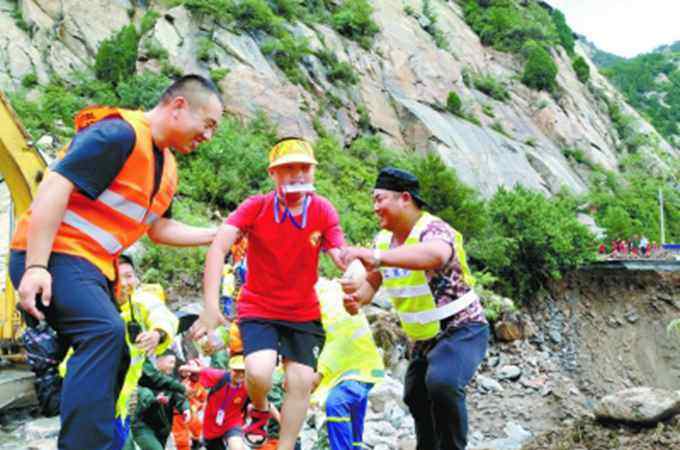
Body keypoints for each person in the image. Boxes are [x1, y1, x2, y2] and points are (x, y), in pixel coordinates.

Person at [8, 74, 223, 450]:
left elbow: (159, 229)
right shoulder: (119, 135)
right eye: (207, 125)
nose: (208, 137)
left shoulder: (166, 169)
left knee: (118, 352)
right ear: (178, 107)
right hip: (52, 254)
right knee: (103, 332)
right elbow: (56, 184)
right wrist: (36, 266)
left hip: (88, 266)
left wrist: (216, 234)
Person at [192, 138, 347, 449]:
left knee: (301, 381)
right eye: (287, 168)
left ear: (313, 172)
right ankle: (260, 409)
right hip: (258, 307)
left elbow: (339, 253)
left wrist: (356, 272)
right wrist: (210, 307)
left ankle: (285, 446)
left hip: (303, 311)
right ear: (273, 173)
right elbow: (220, 245)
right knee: (259, 373)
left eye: (304, 167)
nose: (297, 174)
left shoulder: (322, 209)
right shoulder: (257, 206)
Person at [341, 167, 489, 450]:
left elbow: (435, 254)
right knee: (415, 395)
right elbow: (372, 284)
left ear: (404, 198)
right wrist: (355, 299)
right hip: (423, 338)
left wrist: (376, 257)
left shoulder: (432, 229)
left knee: (443, 383)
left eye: (379, 199)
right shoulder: (382, 241)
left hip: (462, 327)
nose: (375, 208)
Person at [311, 279, 384, 450]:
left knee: (336, 404)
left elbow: (338, 337)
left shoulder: (327, 303)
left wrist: (320, 374)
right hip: (361, 368)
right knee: (354, 413)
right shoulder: (330, 291)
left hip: (356, 367)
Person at [180, 355, 253, 450]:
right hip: (211, 425)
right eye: (236, 371)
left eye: (243, 371)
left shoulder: (249, 385)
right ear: (230, 370)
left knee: (237, 447)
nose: (240, 374)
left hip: (232, 422)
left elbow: (264, 402)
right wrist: (183, 368)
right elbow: (201, 370)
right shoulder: (220, 376)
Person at [127, 351, 191, 450]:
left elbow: (180, 398)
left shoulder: (171, 381)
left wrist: (185, 409)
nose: (172, 366)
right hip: (145, 425)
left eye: (174, 363)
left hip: (163, 428)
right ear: (159, 360)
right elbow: (140, 397)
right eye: (170, 362)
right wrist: (154, 400)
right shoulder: (145, 378)